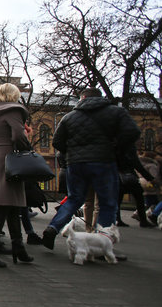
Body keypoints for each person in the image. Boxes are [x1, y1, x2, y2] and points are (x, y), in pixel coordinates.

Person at [41, 87, 141, 249]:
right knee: (107, 203)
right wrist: (116, 147)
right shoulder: (116, 112)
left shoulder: (69, 117)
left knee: (74, 199)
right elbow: (132, 131)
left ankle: (53, 228)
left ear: (83, 98)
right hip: (104, 162)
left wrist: (73, 151)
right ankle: (101, 244)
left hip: (76, 164)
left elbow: (57, 142)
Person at [0, 83, 34, 267]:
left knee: (11, 206)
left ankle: (18, 248)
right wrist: (28, 145)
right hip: (10, 160)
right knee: (4, 207)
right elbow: (19, 136)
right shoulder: (14, 110)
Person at [115, 144, 156, 228]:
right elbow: (137, 164)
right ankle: (143, 220)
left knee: (118, 199)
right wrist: (149, 178)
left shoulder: (115, 145)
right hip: (130, 177)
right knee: (139, 198)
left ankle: (117, 219)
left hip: (117, 176)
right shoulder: (130, 147)